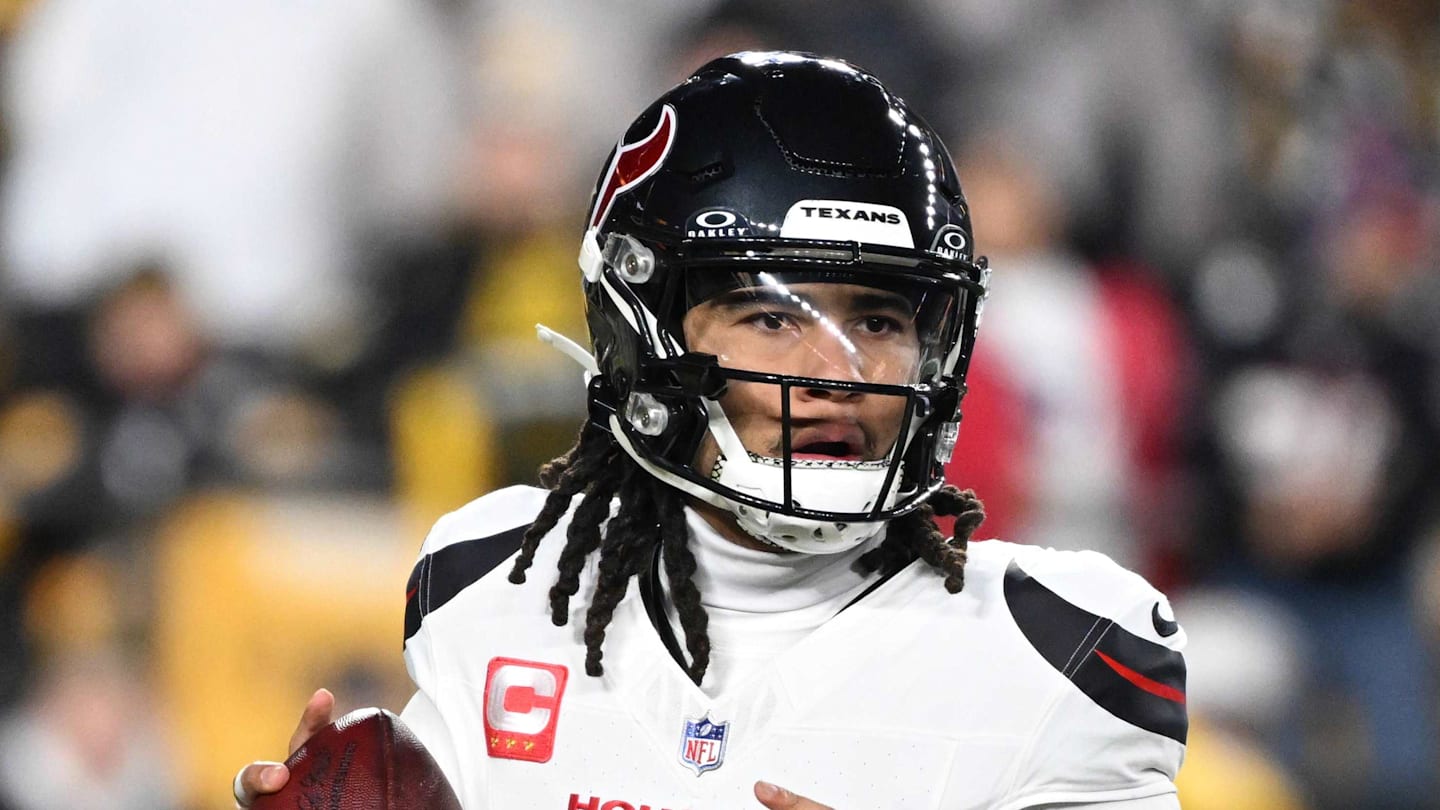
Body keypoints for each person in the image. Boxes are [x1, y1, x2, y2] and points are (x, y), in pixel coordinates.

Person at [235, 51, 1188, 809]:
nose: (839, 374)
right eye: (774, 317)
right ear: (642, 333)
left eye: (882, 320)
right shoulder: (495, 588)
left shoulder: (1059, 657)